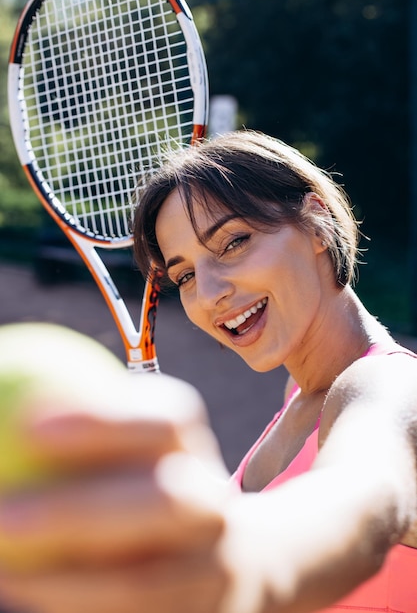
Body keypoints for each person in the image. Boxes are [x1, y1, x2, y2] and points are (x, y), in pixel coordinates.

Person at [0, 129, 416, 613]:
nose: (210, 292)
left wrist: (245, 569)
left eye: (234, 242)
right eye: (186, 276)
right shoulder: (297, 396)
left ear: (317, 221)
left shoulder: (390, 387)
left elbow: (371, 499)